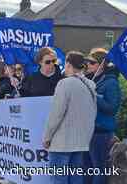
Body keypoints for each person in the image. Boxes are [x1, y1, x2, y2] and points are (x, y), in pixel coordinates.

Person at [43, 51, 97, 184]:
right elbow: (92, 113)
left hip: (62, 142)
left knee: (58, 179)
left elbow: (56, 114)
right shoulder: (91, 85)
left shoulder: (65, 84)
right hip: (81, 141)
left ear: (68, 64)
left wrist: (47, 137)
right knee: (76, 179)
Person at [85, 48, 122, 184]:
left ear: (102, 65)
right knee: (87, 168)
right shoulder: (90, 79)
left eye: (92, 62)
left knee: (99, 169)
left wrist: (95, 96)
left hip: (101, 132)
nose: (87, 64)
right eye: (87, 61)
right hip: (88, 131)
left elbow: (112, 108)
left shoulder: (111, 82)